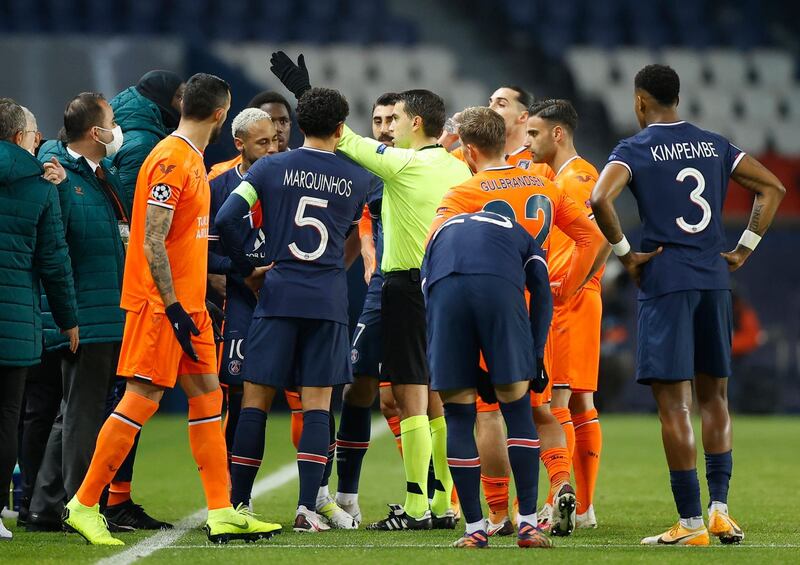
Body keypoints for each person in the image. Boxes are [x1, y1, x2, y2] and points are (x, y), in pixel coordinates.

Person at [62, 73, 281, 546]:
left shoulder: (191, 158)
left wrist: (191, 304)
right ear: (221, 114)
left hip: (188, 305)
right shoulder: (171, 158)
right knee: (140, 400)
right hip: (163, 307)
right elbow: (152, 239)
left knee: (208, 396)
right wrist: (176, 307)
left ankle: (222, 511)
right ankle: (82, 504)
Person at [269, 51, 473, 530]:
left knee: (410, 398)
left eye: (396, 118)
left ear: (416, 122)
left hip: (404, 285)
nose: (389, 127)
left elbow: (343, 140)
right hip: (444, 285)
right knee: (435, 394)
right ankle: (444, 503)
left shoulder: (402, 164)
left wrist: (306, 94)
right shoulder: (457, 168)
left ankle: (418, 506)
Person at [590, 64, 785, 546]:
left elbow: (600, 198)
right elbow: (772, 188)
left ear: (640, 102)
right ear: (677, 97)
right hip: (714, 281)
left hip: (666, 280)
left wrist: (624, 253)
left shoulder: (634, 149)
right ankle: (720, 511)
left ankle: (691, 523)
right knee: (715, 397)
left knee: (675, 405)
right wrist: (743, 248)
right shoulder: (714, 143)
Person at [428, 106, 606, 537]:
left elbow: (433, 254)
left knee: (486, 415)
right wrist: (565, 286)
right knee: (540, 409)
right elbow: (594, 238)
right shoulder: (542, 182)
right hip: (535, 308)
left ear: (470, 151)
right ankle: (558, 487)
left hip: (484, 307)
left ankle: (494, 514)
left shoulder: (465, 193)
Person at [216, 87, 373, 532]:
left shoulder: (269, 166)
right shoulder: (358, 178)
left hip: (278, 294)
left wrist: (247, 260)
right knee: (318, 406)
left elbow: (227, 218)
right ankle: (308, 508)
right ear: (341, 129)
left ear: (298, 126)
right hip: (327, 300)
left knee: (255, 402)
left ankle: (239, 505)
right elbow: (361, 228)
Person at [27, 93, 140, 530]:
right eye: (112, 123)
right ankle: (80, 507)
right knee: (83, 415)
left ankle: (44, 504)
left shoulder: (98, 175)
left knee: (72, 413)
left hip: (102, 311)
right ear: (97, 133)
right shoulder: (62, 175)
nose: (118, 133)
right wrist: (67, 317)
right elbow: (55, 252)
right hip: (86, 318)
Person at [424, 211, 553, 549]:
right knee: (517, 408)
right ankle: (527, 525)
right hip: (498, 287)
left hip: (443, 290)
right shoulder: (522, 234)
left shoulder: (442, 229)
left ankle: (474, 530)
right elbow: (541, 288)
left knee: (458, 416)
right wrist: (535, 356)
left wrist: (455, 361)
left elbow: (428, 292)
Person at [526, 99, 611, 530]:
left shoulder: (577, 179)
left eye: (535, 133)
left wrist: (569, 286)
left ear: (557, 134)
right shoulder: (559, 174)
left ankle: (558, 501)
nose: (529, 141)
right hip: (575, 299)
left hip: (567, 301)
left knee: (559, 399)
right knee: (579, 400)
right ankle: (584, 508)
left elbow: (599, 239)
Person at [0, 98, 78, 540]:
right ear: (18, 138)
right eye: (33, 135)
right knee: (7, 415)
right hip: (15, 323)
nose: (38, 142)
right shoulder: (39, 187)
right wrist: (68, 319)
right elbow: (54, 261)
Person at [207, 107, 278, 477]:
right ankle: (232, 492)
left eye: (275, 141)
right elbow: (202, 251)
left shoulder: (288, 180)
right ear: (240, 144)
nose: (271, 149)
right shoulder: (218, 187)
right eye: (262, 142)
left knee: (313, 396)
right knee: (237, 393)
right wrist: (242, 272)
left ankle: (318, 498)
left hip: (286, 297)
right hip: (240, 299)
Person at [440, 86, 554, 177]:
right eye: (490, 103)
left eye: (501, 104)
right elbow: (425, 169)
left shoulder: (543, 162)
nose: (489, 109)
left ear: (523, 117)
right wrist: (448, 138)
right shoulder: (470, 151)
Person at [208, 91, 294, 180]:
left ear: (290, 125)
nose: (277, 128)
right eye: (270, 121)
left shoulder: (305, 169)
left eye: (283, 122)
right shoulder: (220, 175)